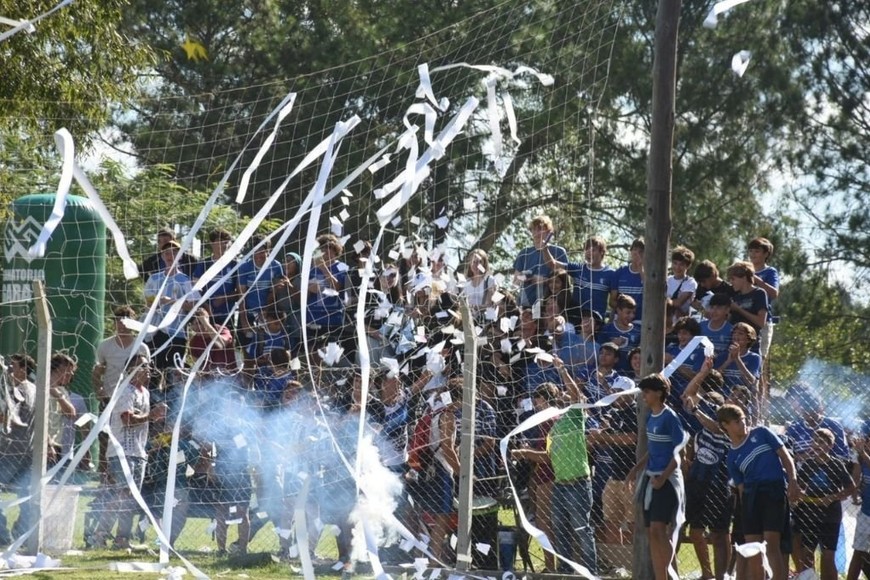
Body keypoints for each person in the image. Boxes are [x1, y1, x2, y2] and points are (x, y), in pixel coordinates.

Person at [527, 356, 598, 573]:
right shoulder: (555, 421)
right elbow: (548, 454)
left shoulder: (575, 416)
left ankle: (590, 572)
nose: (566, 395)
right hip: (559, 482)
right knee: (560, 529)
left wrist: (562, 369)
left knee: (581, 529)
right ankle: (565, 570)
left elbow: (575, 393)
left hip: (577, 482)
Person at [716, 403, 799, 580]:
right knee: (752, 547)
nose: (743, 424)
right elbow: (741, 488)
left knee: (771, 543)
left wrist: (793, 481)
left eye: (744, 420)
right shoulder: (731, 457)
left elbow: (785, 456)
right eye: (737, 422)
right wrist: (744, 512)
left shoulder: (762, 433)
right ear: (725, 425)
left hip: (773, 491)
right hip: (751, 497)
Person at [93, 355, 156, 549]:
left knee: (128, 497)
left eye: (149, 365)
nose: (148, 369)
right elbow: (127, 420)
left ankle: (118, 538)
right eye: (143, 366)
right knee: (124, 495)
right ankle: (104, 535)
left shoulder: (145, 392)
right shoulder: (125, 391)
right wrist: (151, 416)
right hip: (122, 451)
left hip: (138, 452)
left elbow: (142, 420)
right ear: (131, 369)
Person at [629, 374, 686, 580]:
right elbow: (653, 450)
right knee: (651, 532)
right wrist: (635, 470)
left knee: (660, 529)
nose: (643, 395)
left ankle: (666, 575)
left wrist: (663, 478)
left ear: (659, 393)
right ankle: (660, 576)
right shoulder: (650, 416)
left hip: (667, 481)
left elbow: (679, 454)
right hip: (650, 480)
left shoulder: (670, 417)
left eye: (647, 391)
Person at [93, 305, 152, 476]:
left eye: (126, 321)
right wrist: (99, 389)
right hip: (110, 398)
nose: (121, 325)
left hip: (132, 400)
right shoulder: (105, 346)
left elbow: (146, 376)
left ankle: (129, 473)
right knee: (105, 437)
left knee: (130, 437)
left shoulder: (142, 348)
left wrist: (142, 398)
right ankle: (104, 476)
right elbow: (97, 372)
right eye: (118, 320)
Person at [792, 428, 855, 580]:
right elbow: (799, 486)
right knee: (807, 554)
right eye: (814, 441)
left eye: (821, 442)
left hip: (830, 516)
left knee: (827, 557)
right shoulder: (808, 464)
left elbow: (850, 488)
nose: (817, 445)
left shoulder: (836, 465)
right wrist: (799, 494)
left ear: (830, 445)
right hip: (810, 514)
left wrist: (832, 497)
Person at [143, 240, 201, 372]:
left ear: (180, 256)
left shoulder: (186, 280)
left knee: (173, 374)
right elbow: (148, 303)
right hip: (154, 332)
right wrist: (155, 303)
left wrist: (171, 301)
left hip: (177, 333)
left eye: (174, 253)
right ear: (162, 256)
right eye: (167, 253)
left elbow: (193, 307)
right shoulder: (154, 279)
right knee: (153, 372)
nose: (170, 256)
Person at [0, 354, 36, 544]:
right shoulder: (34, 389)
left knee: (26, 495)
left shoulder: (17, 391)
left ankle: (4, 535)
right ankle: (22, 533)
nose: (8, 370)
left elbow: (12, 420)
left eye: (12, 367)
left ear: (23, 370)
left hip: (11, 451)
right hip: (29, 450)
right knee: (27, 495)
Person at [543, 235, 614, 321]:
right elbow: (553, 264)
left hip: (595, 322)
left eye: (593, 250)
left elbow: (614, 303)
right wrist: (545, 249)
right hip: (575, 319)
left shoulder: (610, 274)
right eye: (586, 249)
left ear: (602, 252)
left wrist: (611, 321)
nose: (588, 252)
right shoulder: (578, 268)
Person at [237, 235, 284, 348]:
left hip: (269, 315)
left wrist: (266, 311)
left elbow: (276, 291)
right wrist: (244, 320)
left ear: (268, 251)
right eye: (255, 251)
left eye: (262, 251)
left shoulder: (275, 266)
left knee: (267, 348)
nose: (259, 255)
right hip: (248, 313)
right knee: (247, 349)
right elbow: (241, 294)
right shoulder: (244, 267)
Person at [513, 215, 567, 309]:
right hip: (527, 306)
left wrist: (545, 280)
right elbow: (515, 282)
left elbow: (565, 280)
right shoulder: (524, 253)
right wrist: (526, 278)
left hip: (551, 306)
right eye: (534, 229)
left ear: (548, 231)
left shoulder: (559, 252)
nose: (537, 233)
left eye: (540, 229)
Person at [192, 228, 239, 330]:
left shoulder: (235, 265)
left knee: (226, 344)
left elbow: (241, 291)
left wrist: (224, 298)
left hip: (227, 316)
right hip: (205, 316)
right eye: (219, 242)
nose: (223, 245)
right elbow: (195, 288)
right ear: (212, 243)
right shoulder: (204, 264)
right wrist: (206, 306)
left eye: (226, 242)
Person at [747, 237, 780, 359]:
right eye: (751, 251)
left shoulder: (770, 272)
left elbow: (774, 293)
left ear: (766, 254)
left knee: (760, 357)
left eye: (757, 251)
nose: (752, 254)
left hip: (763, 321)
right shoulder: (744, 269)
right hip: (743, 319)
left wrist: (757, 280)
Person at [847, 421, 870, 580]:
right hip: (866, 512)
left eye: (865, 438)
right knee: (859, 551)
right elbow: (856, 476)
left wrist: (862, 453)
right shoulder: (861, 455)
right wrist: (854, 494)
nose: (862, 440)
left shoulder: (864, 455)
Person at [600, 293, 640, 374]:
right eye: (628, 312)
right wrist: (612, 344)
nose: (632, 316)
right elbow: (598, 351)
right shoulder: (607, 329)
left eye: (633, 313)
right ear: (618, 310)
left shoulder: (638, 331)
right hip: (610, 376)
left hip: (631, 376)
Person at [726, 261, 768, 336]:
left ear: (744, 278)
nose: (731, 282)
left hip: (752, 342)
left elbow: (761, 322)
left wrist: (739, 309)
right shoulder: (735, 296)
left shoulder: (759, 293)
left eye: (733, 279)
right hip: (735, 340)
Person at [610, 237, 645, 322]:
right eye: (635, 250)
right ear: (630, 251)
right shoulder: (620, 272)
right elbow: (611, 301)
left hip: (640, 321)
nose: (637, 253)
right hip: (620, 320)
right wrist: (625, 311)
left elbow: (651, 292)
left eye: (641, 251)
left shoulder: (650, 275)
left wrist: (641, 268)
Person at [666, 246, 697, 331]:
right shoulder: (667, 280)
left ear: (688, 266)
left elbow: (678, 303)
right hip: (665, 324)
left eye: (681, 264)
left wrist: (664, 301)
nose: (677, 267)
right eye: (675, 263)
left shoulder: (690, 282)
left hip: (681, 326)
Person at [460, 248, 497, 321]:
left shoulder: (489, 280)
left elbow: (490, 304)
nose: (477, 265)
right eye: (474, 262)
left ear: (484, 263)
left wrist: (473, 307)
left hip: (484, 321)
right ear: (470, 263)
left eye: (480, 262)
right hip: (467, 320)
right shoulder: (466, 282)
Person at [700, 293, 734, 358]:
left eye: (719, 308)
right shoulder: (700, 326)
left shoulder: (731, 330)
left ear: (727, 310)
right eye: (712, 307)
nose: (714, 311)